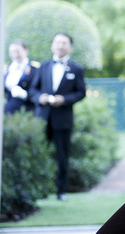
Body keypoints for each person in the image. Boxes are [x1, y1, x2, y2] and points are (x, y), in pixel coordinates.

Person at [28, 32, 87, 201]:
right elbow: (33, 90)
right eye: (58, 43)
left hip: (63, 119)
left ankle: (61, 191)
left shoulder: (77, 69)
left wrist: (64, 99)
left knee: (62, 156)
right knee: (39, 154)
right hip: (42, 118)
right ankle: (38, 189)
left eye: (64, 43)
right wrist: (40, 98)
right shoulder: (43, 66)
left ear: (70, 47)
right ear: (52, 45)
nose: (60, 46)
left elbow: (81, 92)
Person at [4, 39, 40, 114]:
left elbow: (39, 89)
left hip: (28, 110)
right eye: (12, 52)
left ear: (26, 51)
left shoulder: (35, 68)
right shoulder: (7, 68)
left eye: (18, 51)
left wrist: (25, 94)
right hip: (9, 110)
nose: (15, 55)